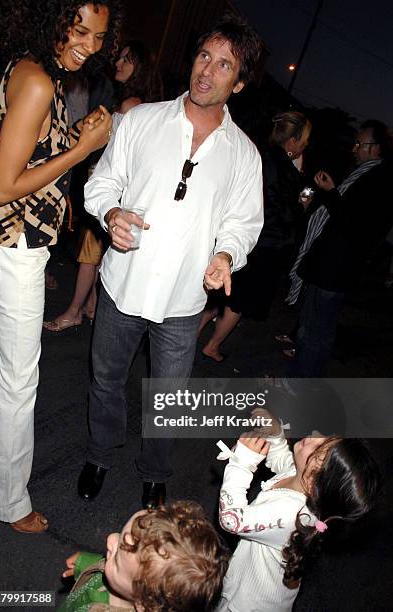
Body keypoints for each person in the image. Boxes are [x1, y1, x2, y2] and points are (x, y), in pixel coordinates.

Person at [77, 14, 264, 508]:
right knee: (106, 380)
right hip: (124, 284)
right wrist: (111, 210)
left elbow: (243, 223)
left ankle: (155, 472)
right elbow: (101, 183)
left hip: (184, 301)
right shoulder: (141, 120)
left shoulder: (245, 156)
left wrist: (227, 254)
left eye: (224, 65)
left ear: (238, 83)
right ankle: (99, 453)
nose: (207, 70)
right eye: (204, 56)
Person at [0, 0, 123, 532]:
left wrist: (72, 138)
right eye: (79, 29)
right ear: (54, 20)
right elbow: (4, 185)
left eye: (99, 36)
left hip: (1, 242)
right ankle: (7, 499)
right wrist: (84, 147)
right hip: (15, 246)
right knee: (19, 379)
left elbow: (25, 153)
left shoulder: (30, 68)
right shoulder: (42, 81)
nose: (89, 44)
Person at [44, 41, 163, 332]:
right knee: (98, 253)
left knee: (90, 252)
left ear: (140, 69)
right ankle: (90, 304)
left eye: (126, 60)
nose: (118, 63)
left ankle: (73, 311)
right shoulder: (146, 104)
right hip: (121, 191)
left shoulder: (130, 106)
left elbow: (116, 153)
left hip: (111, 191)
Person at [215, 418, 381, 611]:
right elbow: (282, 460)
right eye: (325, 437)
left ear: (313, 483)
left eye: (318, 449)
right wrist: (276, 434)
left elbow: (231, 520)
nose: (315, 434)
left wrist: (241, 463)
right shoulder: (303, 477)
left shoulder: (290, 514)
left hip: (251, 601)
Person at [200, 111, 311, 363]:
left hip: (239, 236)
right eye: (303, 140)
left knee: (220, 293)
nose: (304, 145)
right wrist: (300, 207)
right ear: (292, 141)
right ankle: (213, 345)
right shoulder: (284, 169)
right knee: (239, 301)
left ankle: (193, 334)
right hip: (263, 245)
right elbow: (281, 211)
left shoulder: (256, 153)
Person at [289, 119, 393, 377]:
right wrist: (330, 193)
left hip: (333, 269)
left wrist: (332, 192)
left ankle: (297, 381)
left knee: (313, 331)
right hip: (334, 268)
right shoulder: (367, 174)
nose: (354, 148)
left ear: (376, 148)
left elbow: (355, 225)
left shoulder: (378, 179)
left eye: (360, 143)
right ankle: (308, 378)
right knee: (321, 330)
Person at [57, 500, 230, 612]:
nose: (111, 538)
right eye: (120, 534)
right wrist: (87, 563)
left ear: (144, 605)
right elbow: (117, 569)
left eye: (116, 560)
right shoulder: (127, 579)